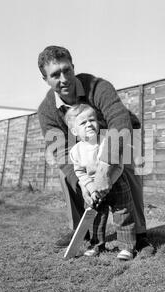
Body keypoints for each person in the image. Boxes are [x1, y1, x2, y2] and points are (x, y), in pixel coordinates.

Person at [37, 45, 150, 252]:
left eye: (67, 70)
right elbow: (61, 152)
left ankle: (140, 234)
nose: (64, 79)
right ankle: (82, 229)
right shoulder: (46, 111)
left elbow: (119, 120)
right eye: (55, 75)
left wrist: (105, 168)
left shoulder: (98, 87)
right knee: (67, 173)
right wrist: (86, 185)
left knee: (129, 161)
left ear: (73, 67)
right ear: (45, 79)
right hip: (85, 145)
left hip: (119, 134)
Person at [66, 104, 136, 260]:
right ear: (74, 131)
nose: (89, 124)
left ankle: (127, 247)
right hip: (94, 190)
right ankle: (96, 245)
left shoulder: (107, 142)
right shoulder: (75, 151)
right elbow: (80, 173)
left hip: (116, 182)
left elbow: (118, 165)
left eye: (92, 120)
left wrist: (110, 181)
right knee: (96, 217)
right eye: (83, 123)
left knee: (123, 213)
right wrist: (91, 188)